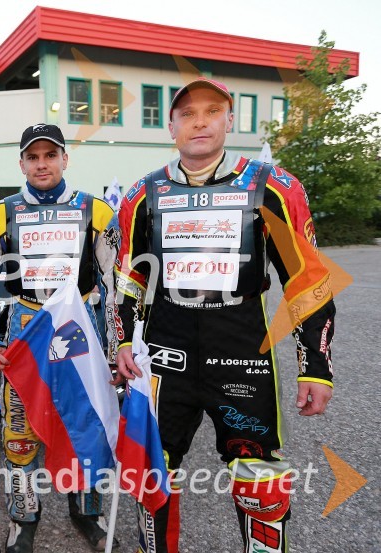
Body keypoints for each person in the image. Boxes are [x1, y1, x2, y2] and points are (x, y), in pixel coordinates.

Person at [113, 78, 336, 553]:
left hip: (241, 346)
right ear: (170, 125)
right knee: (152, 470)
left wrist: (316, 368)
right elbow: (128, 277)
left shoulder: (273, 186)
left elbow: (306, 280)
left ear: (230, 120)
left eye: (212, 111)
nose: (200, 122)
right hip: (166, 349)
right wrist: (125, 341)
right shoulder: (141, 193)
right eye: (187, 113)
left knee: (260, 478)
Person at [0, 123, 121, 553]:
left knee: (84, 422)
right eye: (33, 157)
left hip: (79, 326)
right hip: (25, 327)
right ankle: (23, 517)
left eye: (50, 155)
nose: (42, 164)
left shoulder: (97, 211)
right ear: (21, 163)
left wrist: (116, 351)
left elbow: (113, 285)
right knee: (20, 431)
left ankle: (87, 512)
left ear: (64, 159)